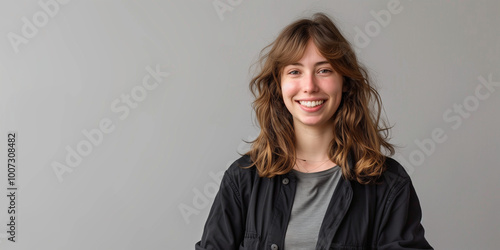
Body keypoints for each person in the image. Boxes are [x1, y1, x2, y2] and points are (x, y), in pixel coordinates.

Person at [195, 12, 433, 250]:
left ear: (345, 82)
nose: (309, 86)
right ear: (278, 85)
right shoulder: (242, 179)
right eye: (295, 71)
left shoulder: (388, 182)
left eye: (324, 70)